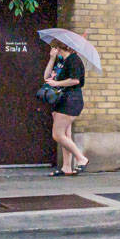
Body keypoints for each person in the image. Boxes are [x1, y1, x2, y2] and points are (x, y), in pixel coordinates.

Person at [43, 39, 88, 175]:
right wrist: (52, 59)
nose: (53, 51)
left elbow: (75, 80)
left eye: (54, 49)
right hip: (60, 99)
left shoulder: (73, 60)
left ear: (58, 48)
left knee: (58, 134)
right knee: (66, 134)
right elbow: (46, 77)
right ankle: (66, 167)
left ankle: (81, 158)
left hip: (71, 99)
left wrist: (57, 84)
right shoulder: (61, 62)